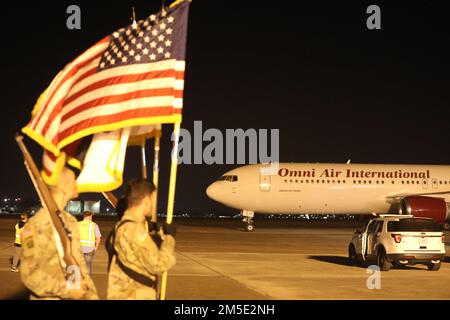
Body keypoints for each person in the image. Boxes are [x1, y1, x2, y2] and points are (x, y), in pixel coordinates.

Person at [20, 167, 99, 300]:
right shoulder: (36, 225)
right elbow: (29, 275)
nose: (77, 184)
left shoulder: (70, 221)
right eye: (74, 180)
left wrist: (91, 294)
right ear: (63, 187)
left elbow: (79, 263)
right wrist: (66, 290)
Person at [107, 179, 177, 300]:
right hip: (133, 294)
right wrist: (169, 238)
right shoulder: (133, 230)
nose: (154, 204)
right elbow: (159, 265)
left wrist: (156, 237)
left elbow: (138, 261)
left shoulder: (124, 226)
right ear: (146, 200)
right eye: (153, 199)